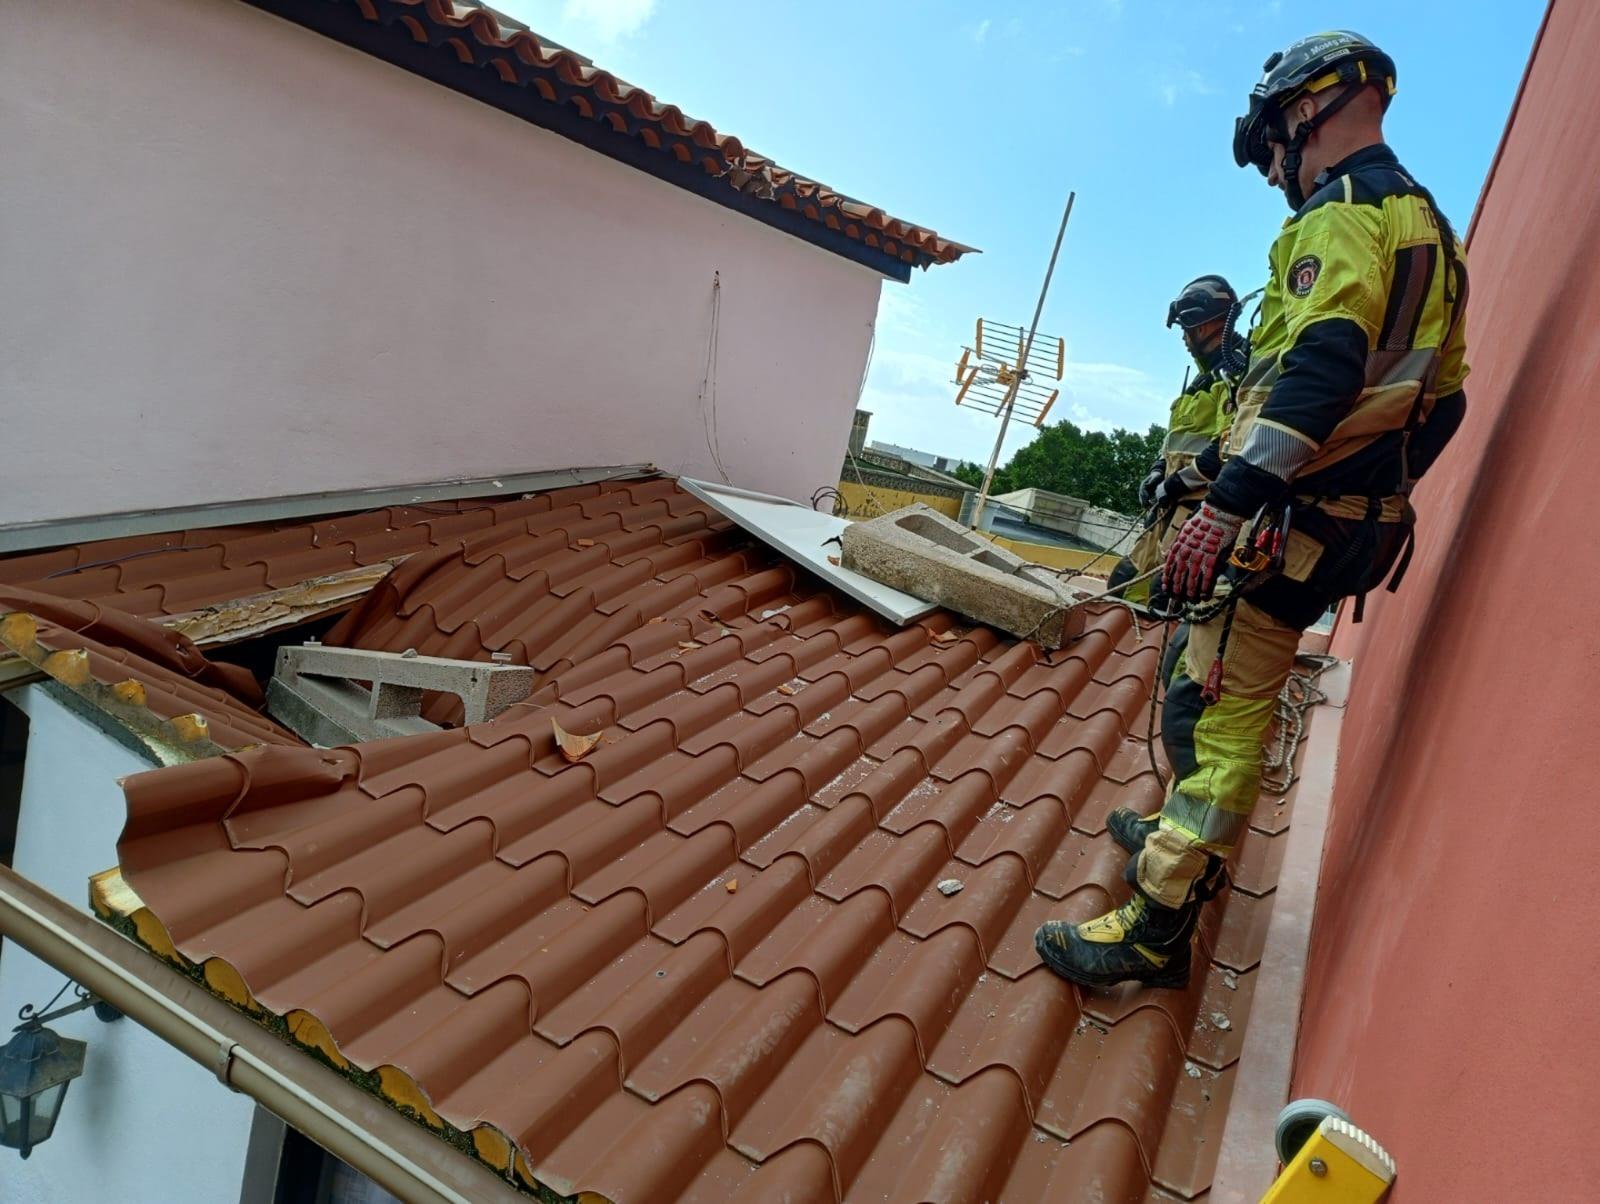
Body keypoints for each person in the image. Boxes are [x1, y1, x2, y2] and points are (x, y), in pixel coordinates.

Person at [1037, 31, 1470, 988]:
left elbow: (1315, 371)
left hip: (1288, 526)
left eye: (1272, 135)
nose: (1274, 160)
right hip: (1343, 524)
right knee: (1201, 685)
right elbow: (1448, 402)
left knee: (1223, 714)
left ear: (1302, 112)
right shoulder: (1432, 232)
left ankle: (1155, 922)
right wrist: (1374, 490)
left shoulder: (1340, 213)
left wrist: (1226, 508)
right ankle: (1174, 838)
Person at [1106, 276, 1247, 609]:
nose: (1184, 337)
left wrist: (1173, 485)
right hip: (1168, 507)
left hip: (1199, 508)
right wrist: (1156, 472)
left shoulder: (1239, 370)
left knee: (1164, 595)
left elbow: (1230, 445)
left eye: (1187, 328)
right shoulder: (1201, 379)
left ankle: (1153, 660)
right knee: (1123, 582)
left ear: (1206, 325)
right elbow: (1175, 440)